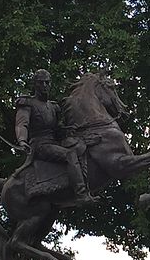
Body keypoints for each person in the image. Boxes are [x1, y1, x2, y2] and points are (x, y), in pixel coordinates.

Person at [15, 69, 97, 205]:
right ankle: (81, 194)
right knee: (70, 155)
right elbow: (21, 124)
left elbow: (58, 129)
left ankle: (84, 185)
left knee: (80, 146)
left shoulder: (53, 107)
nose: (45, 86)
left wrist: (68, 129)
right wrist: (22, 140)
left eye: (47, 83)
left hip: (54, 142)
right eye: (41, 83)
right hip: (40, 145)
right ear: (35, 84)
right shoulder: (27, 103)